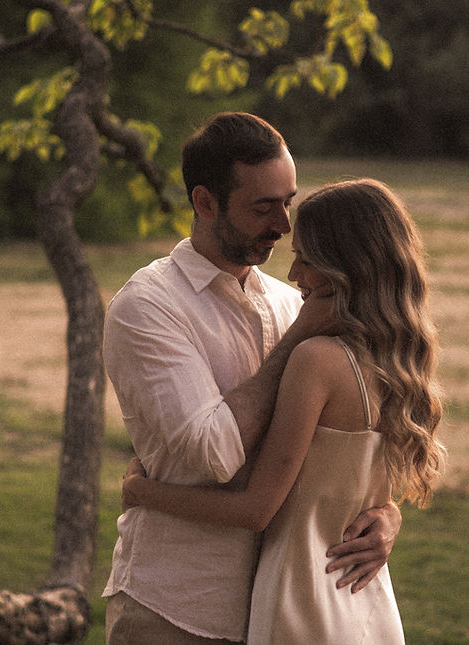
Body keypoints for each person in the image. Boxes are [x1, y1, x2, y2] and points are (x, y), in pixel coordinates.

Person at [102, 113, 403, 644]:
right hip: (179, 608)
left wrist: (384, 515)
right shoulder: (148, 307)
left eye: (288, 202)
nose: (284, 226)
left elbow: (345, 445)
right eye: (263, 207)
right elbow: (215, 454)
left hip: (288, 610)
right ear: (205, 203)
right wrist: (296, 339)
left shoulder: (296, 303)